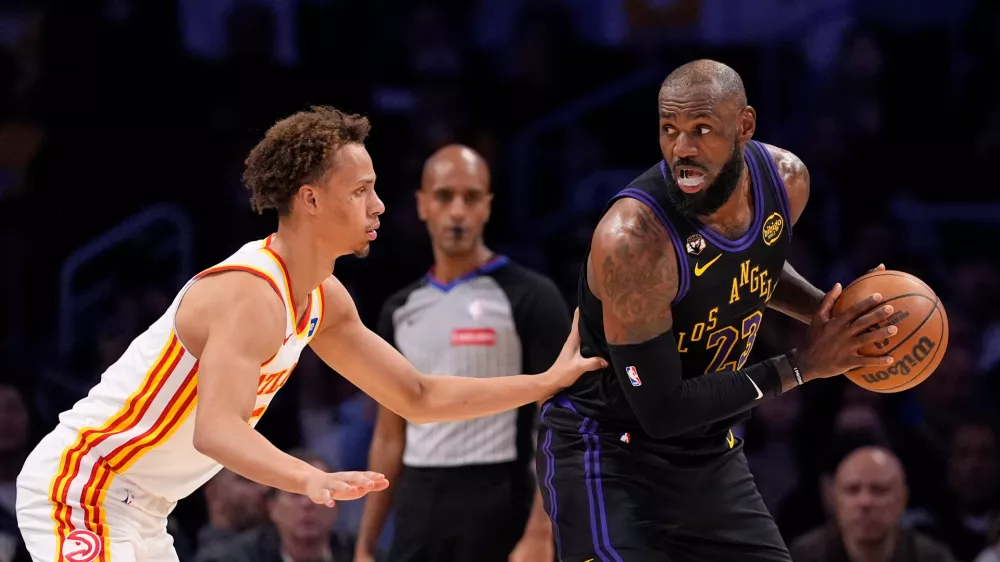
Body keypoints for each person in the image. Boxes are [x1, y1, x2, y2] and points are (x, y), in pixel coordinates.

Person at [15, 106, 604, 562]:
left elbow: (418, 396)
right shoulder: (250, 294)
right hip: (83, 487)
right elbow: (217, 431)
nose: (379, 205)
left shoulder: (324, 297)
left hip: (144, 506)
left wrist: (545, 382)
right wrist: (308, 478)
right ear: (312, 199)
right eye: (361, 190)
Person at [536, 60, 898, 561]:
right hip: (609, 453)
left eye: (701, 129)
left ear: (744, 126)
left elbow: (752, 263)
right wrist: (803, 365)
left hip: (708, 452)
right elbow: (661, 410)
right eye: (669, 129)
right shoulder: (634, 241)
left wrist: (829, 311)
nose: (682, 148)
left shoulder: (786, 182)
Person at [356, 145, 566, 562]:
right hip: (418, 503)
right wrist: (365, 544)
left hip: (500, 498)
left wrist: (541, 532)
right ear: (422, 205)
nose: (457, 211)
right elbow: (389, 436)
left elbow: (562, 423)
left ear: (487, 206)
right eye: (444, 196)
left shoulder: (531, 297)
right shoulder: (399, 309)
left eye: (470, 198)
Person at [788, 447, 955, 562]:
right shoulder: (802, 557)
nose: (865, 502)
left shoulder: (931, 558)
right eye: (852, 490)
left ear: (902, 499)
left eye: (879, 490)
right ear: (836, 500)